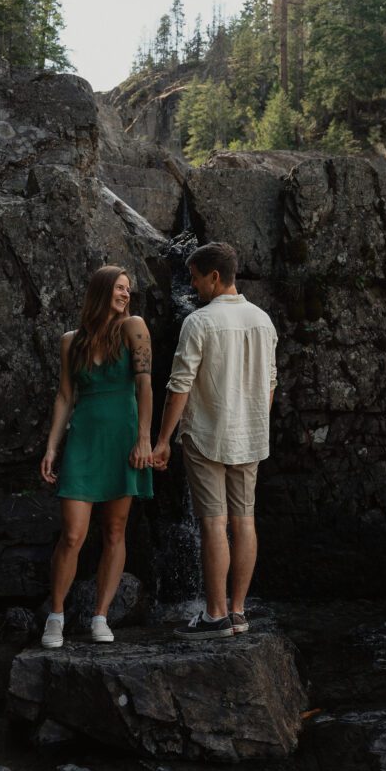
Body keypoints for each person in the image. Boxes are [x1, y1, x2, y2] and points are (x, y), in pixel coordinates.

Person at [152, 242, 277, 640]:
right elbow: (270, 383)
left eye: (195, 277)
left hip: (207, 436)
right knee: (244, 522)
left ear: (215, 277)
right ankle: (239, 613)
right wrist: (255, 420)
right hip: (251, 436)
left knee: (213, 524)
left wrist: (162, 441)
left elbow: (179, 387)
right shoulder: (263, 320)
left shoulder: (199, 322)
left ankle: (215, 615)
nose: (193, 285)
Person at [40, 265, 153, 647]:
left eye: (128, 290)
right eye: (120, 288)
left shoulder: (133, 328)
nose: (126, 295)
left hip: (123, 439)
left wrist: (144, 440)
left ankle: (100, 617)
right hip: (84, 440)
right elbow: (65, 396)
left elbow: (145, 386)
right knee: (72, 534)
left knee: (115, 530)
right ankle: (55, 615)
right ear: (102, 291)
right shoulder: (71, 341)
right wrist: (53, 446)